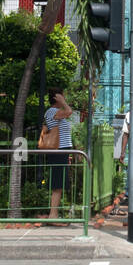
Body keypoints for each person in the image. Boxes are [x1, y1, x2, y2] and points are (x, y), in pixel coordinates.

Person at [42, 88, 80, 219]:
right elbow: (69, 111)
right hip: (58, 151)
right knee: (57, 184)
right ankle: (53, 215)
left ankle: (54, 214)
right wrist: (63, 102)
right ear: (57, 97)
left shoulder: (55, 112)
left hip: (62, 151)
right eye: (63, 96)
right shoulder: (52, 111)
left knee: (59, 184)